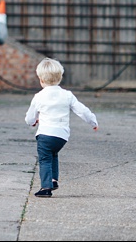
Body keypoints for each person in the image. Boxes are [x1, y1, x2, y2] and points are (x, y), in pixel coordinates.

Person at [24, 58, 98, 198]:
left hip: (45, 134)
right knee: (54, 154)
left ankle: (46, 188)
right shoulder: (67, 95)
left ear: (40, 79)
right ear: (60, 77)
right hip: (61, 136)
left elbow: (30, 117)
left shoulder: (39, 96)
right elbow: (82, 110)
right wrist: (93, 122)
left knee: (45, 159)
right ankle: (53, 180)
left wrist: (32, 122)